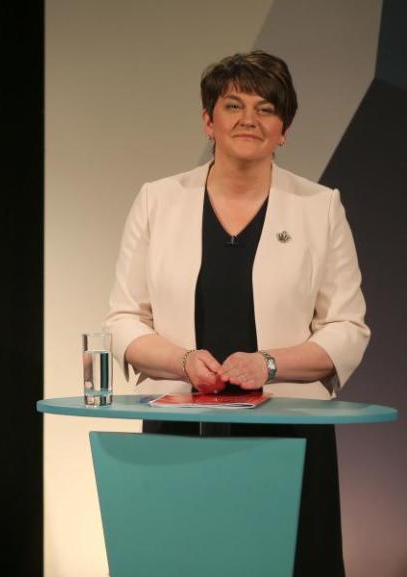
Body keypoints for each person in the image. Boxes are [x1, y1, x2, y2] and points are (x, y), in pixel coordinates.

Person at [105, 51, 368, 577]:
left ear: (283, 129)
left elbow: (347, 327)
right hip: (180, 425)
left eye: (267, 108)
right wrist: (182, 361)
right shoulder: (158, 200)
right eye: (233, 105)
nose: (250, 119)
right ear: (209, 121)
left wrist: (268, 364)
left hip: (289, 431)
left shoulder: (320, 206)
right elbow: (124, 319)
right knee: (181, 560)